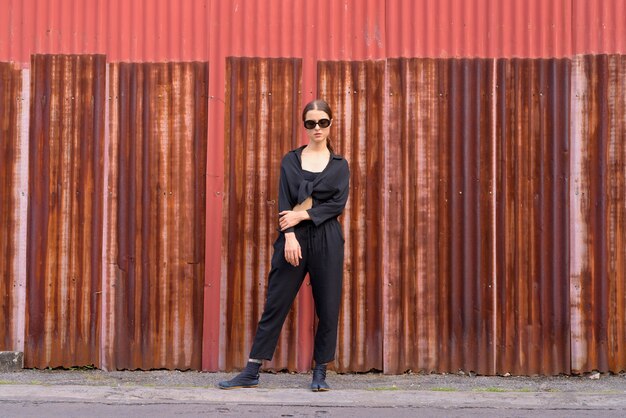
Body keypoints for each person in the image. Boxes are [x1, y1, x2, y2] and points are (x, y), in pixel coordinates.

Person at [219, 99, 350, 392]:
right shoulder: (290, 160)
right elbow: (283, 201)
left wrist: (302, 215)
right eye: (311, 123)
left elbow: (336, 205)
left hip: (327, 238)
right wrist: (289, 235)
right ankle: (252, 370)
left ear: (330, 124)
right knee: (275, 303)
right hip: (292, 237)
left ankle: (320, 373)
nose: (317, 128)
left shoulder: (340, 165)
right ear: (304, 126)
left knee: (328, 307)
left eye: (323, 122)